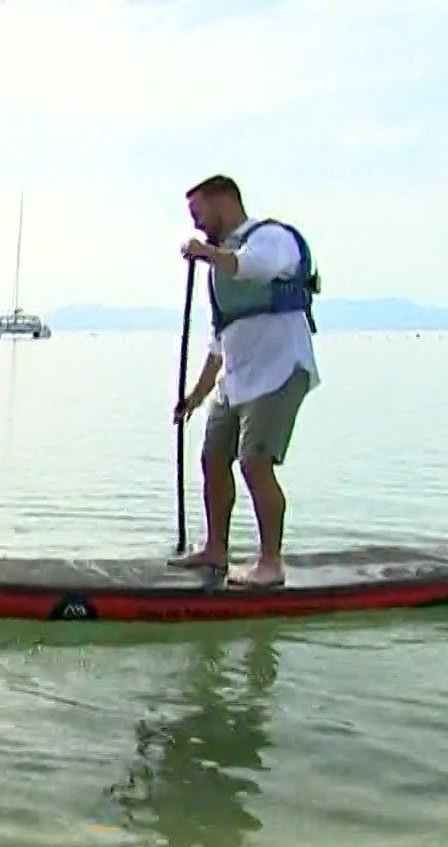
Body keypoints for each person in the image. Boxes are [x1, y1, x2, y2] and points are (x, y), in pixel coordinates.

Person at [170, 175, 321, 589]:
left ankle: (271, 564)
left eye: (198, 212)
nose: (196, 223)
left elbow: (255, 267)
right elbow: (219, 343)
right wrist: (194, 397)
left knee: (255, 462)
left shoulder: (270, 238)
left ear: (223, 201)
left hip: (280, 371)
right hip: (236, 380)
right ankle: (215, 549)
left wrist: (206, 253)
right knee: (213, 459)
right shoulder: (220, 264)